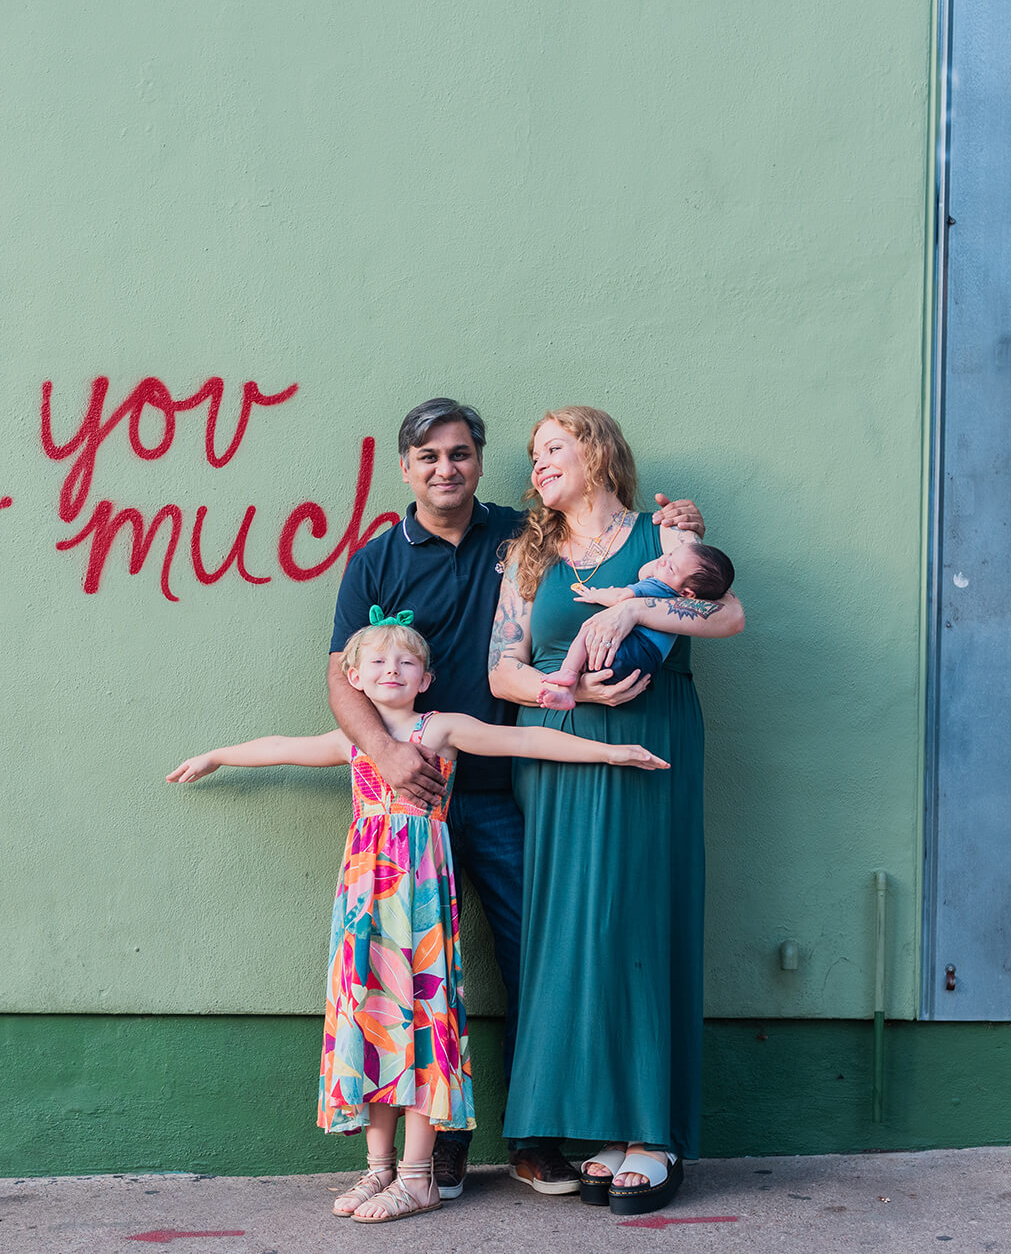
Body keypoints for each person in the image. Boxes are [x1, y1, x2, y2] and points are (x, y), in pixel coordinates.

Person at [168, 617, 667, 1225]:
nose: (391, 672)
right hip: (365, 899)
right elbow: (279, 746)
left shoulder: (443, 729)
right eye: (376, 664)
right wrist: (215, 755)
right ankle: (379, 1169)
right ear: (353, 678)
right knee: (373, 1017)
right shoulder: (354, 740)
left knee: (422, 1022)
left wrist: (611, 752)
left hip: (421, 900)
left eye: (405, 664)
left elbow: (525, 743)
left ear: (426, 678)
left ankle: (417, 1177)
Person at [326, 397, 704, 1198]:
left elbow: (680, 578)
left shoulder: (520, 534)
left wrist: (682, 537)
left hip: (503, 784)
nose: (446, 468)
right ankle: (445, 1144)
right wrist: (391, 755)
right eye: (429, 456)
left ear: (476, 460)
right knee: (426, 968)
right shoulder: (377, 558)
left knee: (540, 950)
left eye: (460, 453)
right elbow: (341, 675)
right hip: (415, 795)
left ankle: (536, 1137)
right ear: (407, 468)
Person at [487, 406, 745, 1217]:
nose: (539, 464)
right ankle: (600, 1121)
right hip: (559, 753)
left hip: (655, 742)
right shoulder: (527, 556)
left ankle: (653, 1133)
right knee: (576, 929)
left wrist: (635, 608)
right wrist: (572, 687)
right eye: (534, 455)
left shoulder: (665, 536)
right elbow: (502, 670)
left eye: (554, 447)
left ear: (598, 453)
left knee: (642, 919)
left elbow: (729, 614)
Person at [536, 542, 736, 710]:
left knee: (590, 627)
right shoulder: (681, 605)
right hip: (646, 666)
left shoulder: (658, 587)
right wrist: (666, 564)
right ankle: (567, 693)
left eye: (671, 567)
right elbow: (644, 573)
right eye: (670, 554)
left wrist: (595, 594)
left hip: (628, 650)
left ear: (687, 593)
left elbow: (621, 596)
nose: (664, 559)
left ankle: (568, 673)